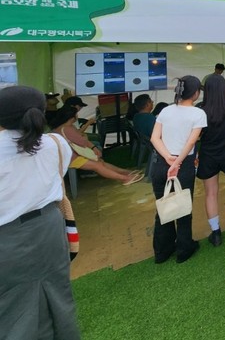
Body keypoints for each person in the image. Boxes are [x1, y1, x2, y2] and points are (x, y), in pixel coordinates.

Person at [0, 86, 81, 340]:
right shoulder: (56, 143)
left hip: (7, 240)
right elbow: (57, 173)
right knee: (59, 295)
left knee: (13, 309)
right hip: (50, 228)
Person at [150, 76, 207, 264]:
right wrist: (176, 163)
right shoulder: (198, 114)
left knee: (163, 206)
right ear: (196, 93)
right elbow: (190, 142)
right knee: (183, 207)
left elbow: (154, 138)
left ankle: (162, 251)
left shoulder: (165, 110)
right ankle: (184, 249)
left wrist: (168, 157)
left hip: (161, 163)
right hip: (183, 165)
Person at [197, 74, 225, 247]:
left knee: (211, 193)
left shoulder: (200, 110)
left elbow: (196, 136)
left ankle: (215, 233)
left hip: (208, 155)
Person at [49, 106, 143, 185]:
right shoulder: (68, 128)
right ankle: (125, 178)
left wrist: (87, 141)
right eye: (76, 114)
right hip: (71, 158)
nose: (77, 115)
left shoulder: (61, 127)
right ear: (71, 117)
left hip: (70, 155)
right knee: (98, 166)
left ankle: (124, 173)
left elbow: (79, 137)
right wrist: (90, 144)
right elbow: (82, 141)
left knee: (100, 162)